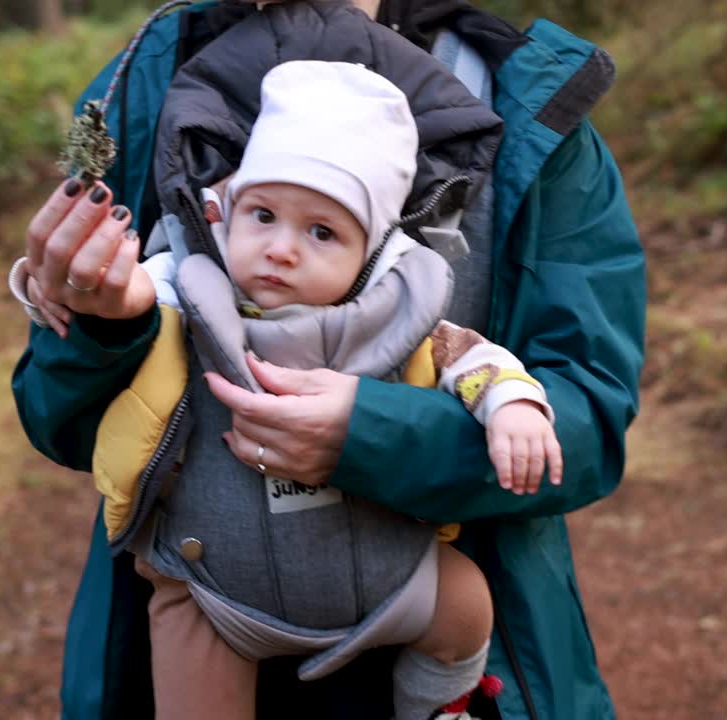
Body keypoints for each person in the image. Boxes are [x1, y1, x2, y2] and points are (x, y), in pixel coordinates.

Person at [11, 0, 645, 718]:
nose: (282, 249)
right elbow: (55, 416)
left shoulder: (522, 96)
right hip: (200, 620)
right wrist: (101, 324)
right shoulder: (145, 81)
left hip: (436, 621)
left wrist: (373, 434)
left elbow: (588, 415)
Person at [109, 58, 562, 720]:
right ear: (227, 210)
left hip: (390, 578)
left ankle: (441, 709)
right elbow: (126, 300)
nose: (281, 249)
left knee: (466, 606)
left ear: (371, 252)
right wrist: (93, 289)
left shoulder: (397, 310)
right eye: (262, 215)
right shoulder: (189, 286)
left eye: (322, 231)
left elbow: (469, 358)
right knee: (183, 642)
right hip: (218, 590)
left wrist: (514, 405)